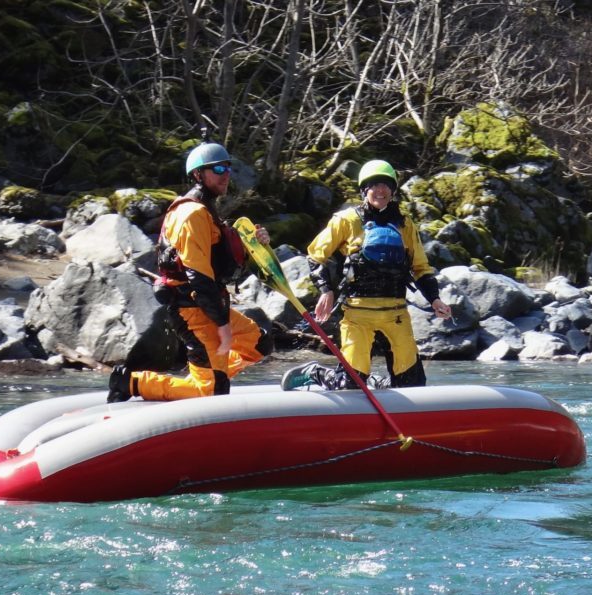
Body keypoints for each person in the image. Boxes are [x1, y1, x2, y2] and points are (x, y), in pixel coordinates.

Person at [108, 142, 270, 402]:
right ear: (197, 175)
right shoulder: (192, 214)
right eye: (217, 168)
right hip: (194, 310)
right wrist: (222, 325)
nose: (225, 173)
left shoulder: (205, 211)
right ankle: (132, 382)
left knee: (259, 345)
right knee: (212, 391)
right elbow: (199, 276)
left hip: (210, 305)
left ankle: (214, 374)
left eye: (228, 167)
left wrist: (254, 243)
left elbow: (223, 261)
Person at [283, 159, 452, 390]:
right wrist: (325, 290)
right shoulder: (347, 220)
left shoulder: (405, 224)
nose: (380, 191)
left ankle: (378, 383)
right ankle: (317, 373)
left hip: (396, 315)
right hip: (357, 315)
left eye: (386, 185)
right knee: (349, 385)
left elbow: (420, 268)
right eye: (374, 185)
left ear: (393, 190)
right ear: (364, 190)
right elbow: (315, 256)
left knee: (412, 385)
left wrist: (435, 299)